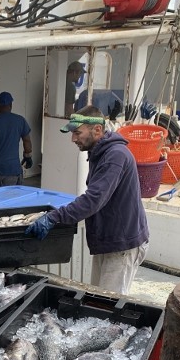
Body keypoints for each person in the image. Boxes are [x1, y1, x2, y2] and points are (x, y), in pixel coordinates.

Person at [25, 105, 149, 295]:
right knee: (97, 297)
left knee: (108, 305)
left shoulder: (115, 155)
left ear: (97, 130)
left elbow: (93, 200)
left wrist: (54, 217)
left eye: (77, 132)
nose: (73, 138)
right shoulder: (98, 153)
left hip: (123, 245)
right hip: (109, 241)